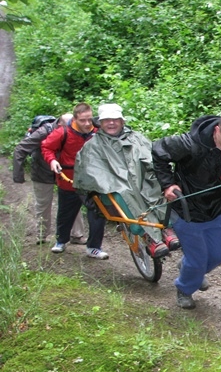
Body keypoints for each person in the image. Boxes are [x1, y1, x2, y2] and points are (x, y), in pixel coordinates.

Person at [152, 112, 221, 309]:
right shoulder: (189, 144)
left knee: (218, 255)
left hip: (215, 209)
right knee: (197, 260)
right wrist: (168, 185)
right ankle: (184, 289)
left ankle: (189, 269)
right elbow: (158, 151)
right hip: (189, 212)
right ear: (217, 131)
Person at [73, 103, 180, 258]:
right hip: (116, 187)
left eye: (115, 119)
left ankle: (165, 227)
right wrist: (114, 181)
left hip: (141, 179)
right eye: (107, 120)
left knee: (156, 183)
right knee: (124, 193)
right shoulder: (93, 146)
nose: (111, 123)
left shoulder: (136, 137)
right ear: (100, 123)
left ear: (122, 121)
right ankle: (148, 236)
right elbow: (92, 173)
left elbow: (152, 157)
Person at [40, 102, 109, 259]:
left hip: (93, 183)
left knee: (98, 213)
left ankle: (94, 247)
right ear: (75, 119)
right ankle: (61, 241)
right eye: (82, 120)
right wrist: (52, 161)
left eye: (89, 120)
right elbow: (46, 147)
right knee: (66, 213)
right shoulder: (62, 133)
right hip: (69, 181)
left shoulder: (98, 131)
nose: (87, 124)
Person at [13, 113, 85, 245]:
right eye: (69, 126)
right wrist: (18, 175)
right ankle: (42, 236)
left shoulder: (77, 132)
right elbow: (21, 148)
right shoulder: (43, 132)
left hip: (66, 172)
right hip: (42, 172)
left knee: (73, 203)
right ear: (60, 124)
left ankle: (77, 235)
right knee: (43, 204)